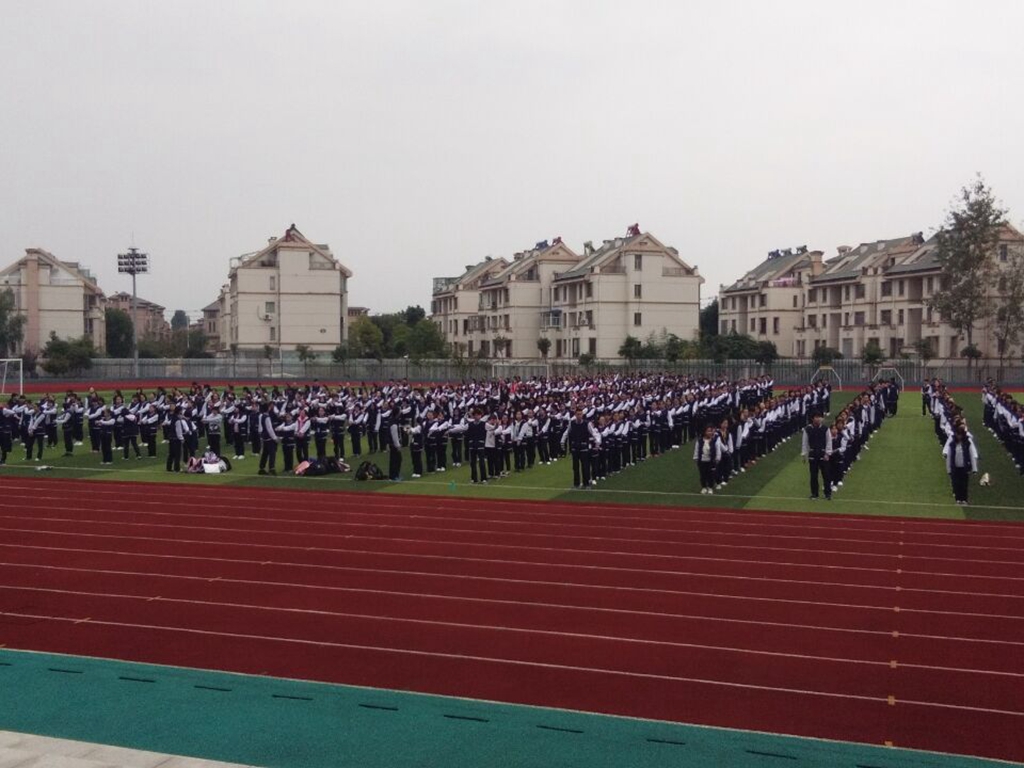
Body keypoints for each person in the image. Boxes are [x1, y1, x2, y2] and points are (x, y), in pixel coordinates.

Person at [561, 407, 600, 489]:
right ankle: (576, 484)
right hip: (575, 448)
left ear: (582, 415)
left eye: (580, 414)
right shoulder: (572, 423)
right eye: (577, 414)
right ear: (575, 415)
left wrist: (597, 443)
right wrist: (562, 441)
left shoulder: (587, 424)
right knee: (575, 467)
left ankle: (586, 484)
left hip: (584, 448)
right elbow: (566, 432)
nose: (579, 416)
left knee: (585, 466)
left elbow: (594, 433)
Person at [943, 425, 978, 505]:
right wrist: (949, 469)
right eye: (958, 434)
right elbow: (949, 457)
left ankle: (964, 499)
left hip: (964, 467)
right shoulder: (952, 444)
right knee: (956, 484)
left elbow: (972, 455)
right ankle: (958, 499)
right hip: (955, 468)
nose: (959, 436)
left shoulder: (967, 443)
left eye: (960, 435)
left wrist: (974, 468)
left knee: (964, 484)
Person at [801, 411, 833, 500]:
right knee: (813, 475)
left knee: (826, 475)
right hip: (813, 454)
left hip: (823, 454)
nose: (818, 419)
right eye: (817, 417)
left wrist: (828, 453)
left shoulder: (825, 429)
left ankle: (828, 493)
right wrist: (804, 454)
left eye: (820, 417)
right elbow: (805, 442)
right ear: (812, 418)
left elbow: (829, 441)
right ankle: (814, 494)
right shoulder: (808, 429)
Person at [693, 424, 719, 494]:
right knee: (703, 475)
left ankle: (710, 487)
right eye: (708, 431)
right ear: (704, 432)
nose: (710, 433)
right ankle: (704, 487)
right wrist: (696, 458)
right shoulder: (700, 441)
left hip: (711, 461)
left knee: (710, 474)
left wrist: (717, 458)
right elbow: (697, 449)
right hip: (702, 461)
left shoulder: (714, 441)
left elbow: (717, 450)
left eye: (711, 431)